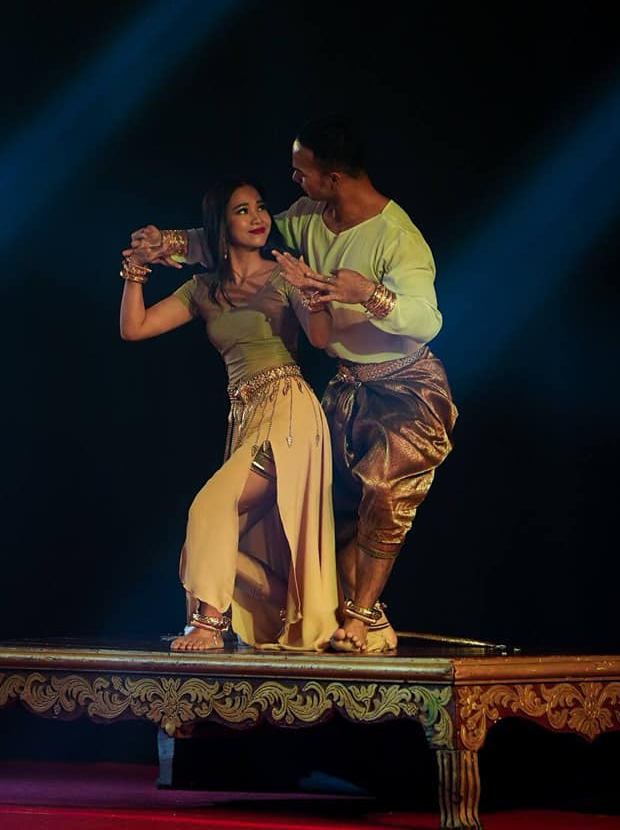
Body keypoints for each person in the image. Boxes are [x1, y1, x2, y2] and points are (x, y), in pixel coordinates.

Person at [126, 113, 457, 653]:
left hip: (403, 384)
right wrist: (165, 243)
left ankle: (360, 615)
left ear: (334, 177)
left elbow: (427, 320)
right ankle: (337, 616)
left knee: (384, 498)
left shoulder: (397, 238)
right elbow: (232, 238)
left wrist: (365, 293)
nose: (293, 180)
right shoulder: (305, 218)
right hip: (342, 386)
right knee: (336, 514)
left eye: (302, 172)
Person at [120, 180, 340, 652]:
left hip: (288, 412)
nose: (258, 217)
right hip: (246, 416)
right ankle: (298, 608)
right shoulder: (204, 289)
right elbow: (134, 328)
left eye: (260, 207)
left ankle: (209, 624)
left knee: (209, 509)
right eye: (243, 210)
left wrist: (312, 294)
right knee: (209, 542)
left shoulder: (283, 276)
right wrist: (135, 273)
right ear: (221, 224)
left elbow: (321, 339)